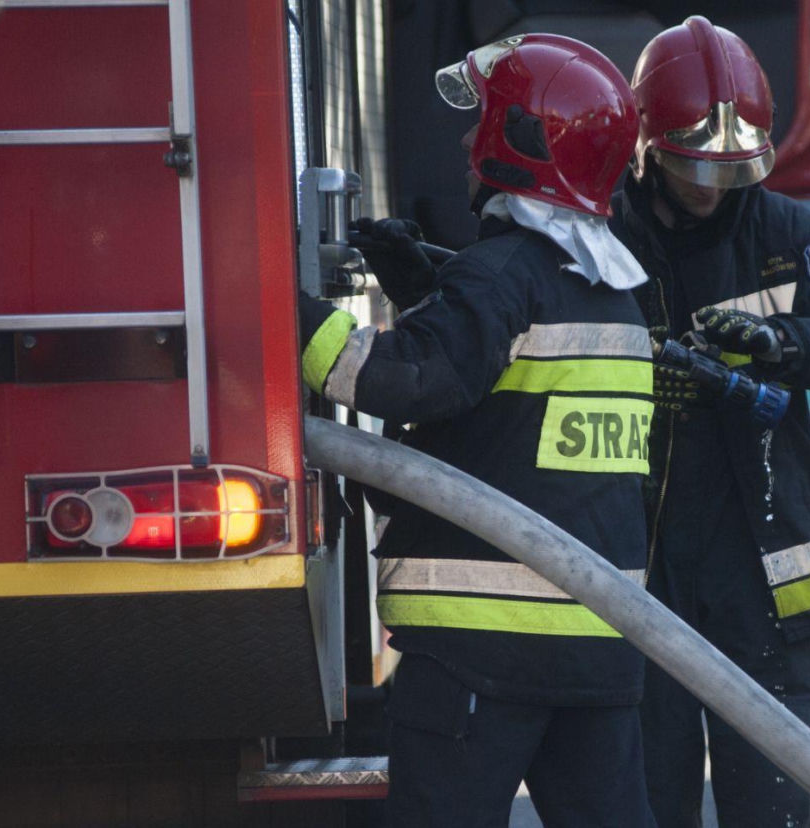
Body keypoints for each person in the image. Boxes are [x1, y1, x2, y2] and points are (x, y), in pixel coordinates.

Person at [299, 33, 656, 828]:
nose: (467, 138)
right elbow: (511, 405)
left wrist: (289, 315)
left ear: (522, 142)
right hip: (600, 654)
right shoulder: (612, 296)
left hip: (477, 652)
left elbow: (400, 377)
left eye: (485, 120)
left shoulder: (499, 278)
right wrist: (432, 292)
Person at [607, 16, 810, 827]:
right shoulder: (602, 244)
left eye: (730, 168)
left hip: (771, 596)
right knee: (647, 810)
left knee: (770, 809)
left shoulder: (788, 235)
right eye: (696, 165)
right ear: (648, 143)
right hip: (644, 583)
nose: (712, 186)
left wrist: (784, 343)